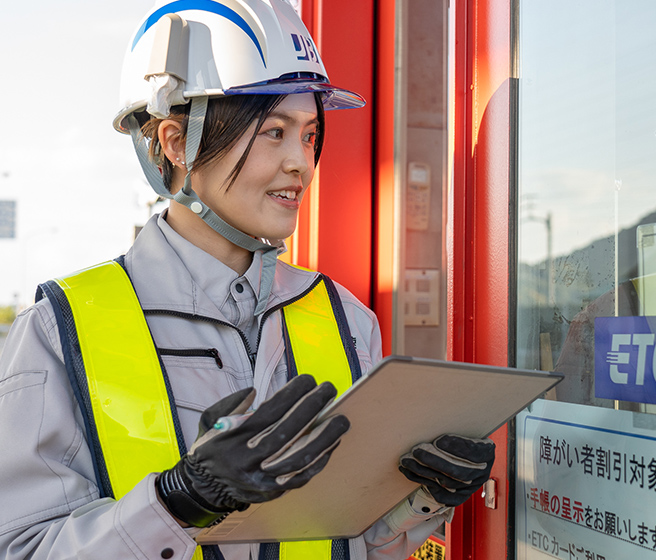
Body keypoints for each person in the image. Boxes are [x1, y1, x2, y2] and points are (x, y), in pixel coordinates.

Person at [0, 1, 495, 559]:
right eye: (274, 132)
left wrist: (421, 499)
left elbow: (347, 542)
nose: (301, 164)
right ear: (173, 142)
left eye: (309, 135)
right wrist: (176, 503)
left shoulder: (345, 319)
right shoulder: (59, 328)